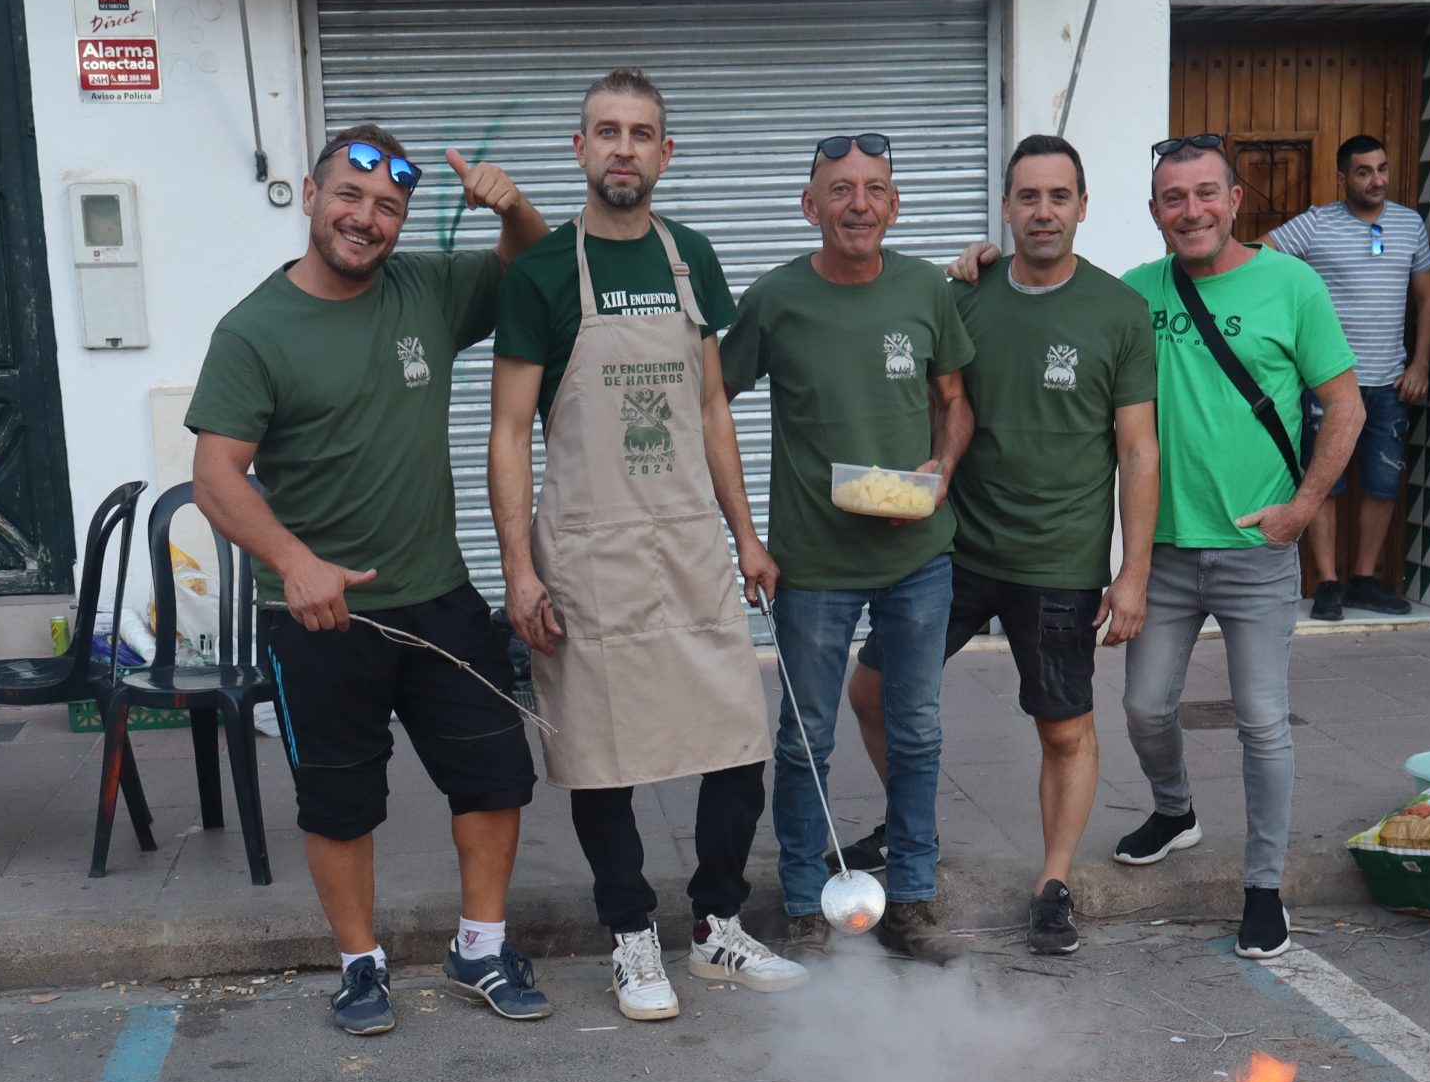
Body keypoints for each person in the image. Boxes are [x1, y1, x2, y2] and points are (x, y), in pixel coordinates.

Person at [187, 124, 552, 1037]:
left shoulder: (426, 290)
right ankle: (359, 965)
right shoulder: (254, 330)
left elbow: (532, 270)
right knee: (340, 801)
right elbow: (216, 475)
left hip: (439, 596)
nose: (366, 218)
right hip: (320, 615)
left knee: (496, 775)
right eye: (349, 196)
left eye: (388, 207)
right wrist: (294, 561)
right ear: (311, 197)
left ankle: (480, 945)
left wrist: (512, 208)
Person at [488, 69, 806, 1019]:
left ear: (665, 154)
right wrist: (518, 568)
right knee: (602, 753)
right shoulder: (542, 272)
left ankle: (716, 926)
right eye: (606, 131)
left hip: (688, 542)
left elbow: (711, 408)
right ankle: (630, 936)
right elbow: (508, 430)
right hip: (589, 549)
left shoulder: (690, 256)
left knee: (737, 741)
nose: (622, 148)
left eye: (640, 134)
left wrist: (746, 535)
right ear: (579, 148)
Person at [847, 134, 1159, 956]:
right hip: (952, 548)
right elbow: (929, 395)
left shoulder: (1120, 311)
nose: (1043, 212)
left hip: (1060, 559)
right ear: (1006, 207)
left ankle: (1054, 883)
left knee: (1063, 729)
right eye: (1028, 196)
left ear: (1083, 206)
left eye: (1059, 196)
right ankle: (913, 830)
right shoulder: (965, 295)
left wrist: (1133, 573)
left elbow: (1138, 450)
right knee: (870, 691)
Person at [720, 133, 975, 963]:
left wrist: (940, 470)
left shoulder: (924, 289)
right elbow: (709, 403)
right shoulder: (774, 299)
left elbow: (954, 401)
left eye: (873, 189)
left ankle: (912, 895)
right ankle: (803, 901)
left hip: (919, 558)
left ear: (894, 206)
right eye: (840, 189)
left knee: (918, 732)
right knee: (805, 739)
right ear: (810, 206)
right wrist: (744, 536)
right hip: (813, 565)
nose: (858, 204)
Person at [1110, 135, 1361, 959]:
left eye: (1206, 193)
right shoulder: (1134, 292)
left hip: (1258, 552)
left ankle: (1263, 887)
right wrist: (982, 264)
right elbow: (1051, 295)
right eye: (1174, 198)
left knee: (1262, 722)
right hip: (1164, 553)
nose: (1192, 211)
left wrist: (1302, 509)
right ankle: (1174, 808)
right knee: (1144, 706)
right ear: (1155, 212)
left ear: (1235, 199)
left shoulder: (1292, 285)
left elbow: (1347, 406)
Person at [1261, 134, 1430, 619]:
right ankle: (1327, 583)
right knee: (1324, 482)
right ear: (1342, 179)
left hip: (1390, 381)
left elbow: (1427, 298)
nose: (1377, 180)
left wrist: (1421, 363)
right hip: (1327, 383)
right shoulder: (1316, 223)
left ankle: (1364, 579)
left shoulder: (1409, 224)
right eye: (1364, 172)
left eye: (1382, 169)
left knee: (1384, 481)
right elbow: (1259, 256)